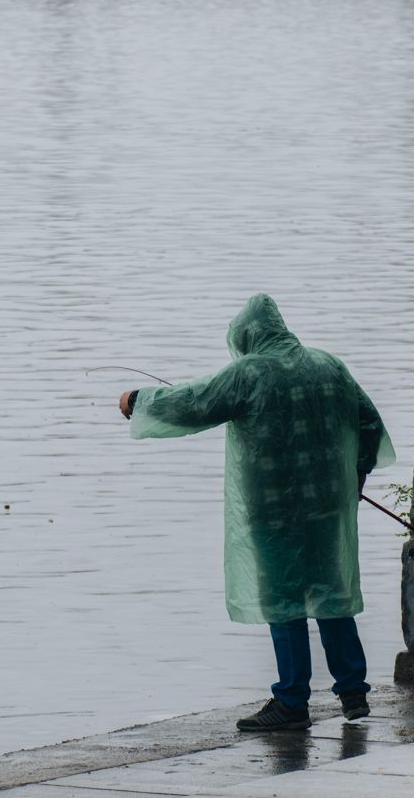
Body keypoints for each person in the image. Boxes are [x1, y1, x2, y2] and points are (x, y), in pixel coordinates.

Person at [118, 294, 394, 731]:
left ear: (246, 338)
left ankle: (291, 702)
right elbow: (369, 425)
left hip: (274, 509)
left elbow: (194, 401)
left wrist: (139, 400)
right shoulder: (329, 366)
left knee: (283, 602)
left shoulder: (249, 374)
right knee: (332, 595)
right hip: (327, 507)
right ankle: (354, 694)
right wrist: (355, 478)